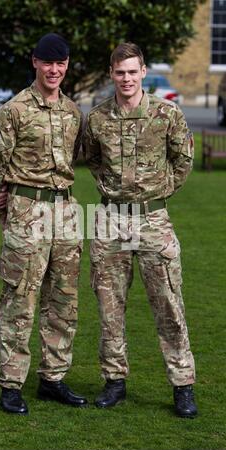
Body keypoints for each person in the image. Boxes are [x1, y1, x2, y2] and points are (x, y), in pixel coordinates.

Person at [83, 42, 197, 418]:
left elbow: (183, 161)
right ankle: (114, 381)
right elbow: (93, 161)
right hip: (110, 221)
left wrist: (157, 195)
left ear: (143, 71)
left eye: (133, 71)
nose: (127, 78)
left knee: (168, 304)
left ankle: (182, 385)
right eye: (120, 72)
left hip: (153, 222)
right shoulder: (97, 118)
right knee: (109, 307)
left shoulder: (167, 114)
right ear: (111, 74)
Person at [0, 33, 87, 415]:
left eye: (61, 63)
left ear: (66, 66)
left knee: (63, 301)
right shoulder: (12, 110)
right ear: (35, 63)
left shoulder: (73, 112)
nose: (54, 69)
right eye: (48, 62)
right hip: (27, 211)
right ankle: (11, 384)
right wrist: (2, 201)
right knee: (20, 299)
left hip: (66, 213)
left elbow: (75, 158)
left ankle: (53, 379)